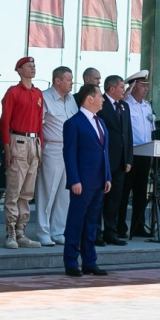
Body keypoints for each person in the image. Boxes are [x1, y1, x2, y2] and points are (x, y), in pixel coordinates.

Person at [63, 82, 112, 277]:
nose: (103, 99)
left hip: (99, 181)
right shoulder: (73, 123)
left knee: (92, 224)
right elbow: (69, 154)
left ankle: (90, 261)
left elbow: (104, 151)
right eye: (100, 95)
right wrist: (74, 180)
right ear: (89, 99)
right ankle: (71, 262)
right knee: (76, 222)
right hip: (82, 182)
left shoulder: (100, 122)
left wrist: (107, 175)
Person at [0, 57, 45, 249]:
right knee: (14, 189)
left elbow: (39, 122)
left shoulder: (37, 93)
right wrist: (7, 148)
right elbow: (5, 122)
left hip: (33, 141)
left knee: (27, 191)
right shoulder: (13, 92)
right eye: (28, 66)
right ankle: (10, 231)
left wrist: (40, 146)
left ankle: (21, 230)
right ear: (19, 70)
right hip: (17, 139)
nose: (33, 68)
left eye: (34, 66)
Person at [37, 66, 77, 246]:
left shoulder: (71, 100)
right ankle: (43, 231)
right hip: (52, 148)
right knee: (48, 191)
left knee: (65, 193)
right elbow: (39, 125)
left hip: (70, 149)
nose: (71, 83)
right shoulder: (44, 97)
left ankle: (58, 230)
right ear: (57, 81)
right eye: (68, 80)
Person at [97, 74, 134, 245]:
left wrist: (128, 159)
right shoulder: (100, 104)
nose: (124, 90)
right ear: (112, 89)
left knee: (115, 198)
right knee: (99, 198)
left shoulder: (124, 106)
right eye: (121, 87)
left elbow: (127, 134)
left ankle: (110, 232)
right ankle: (96, 232)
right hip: (104, 159)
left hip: (120, 161)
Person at [123, 72, 156, 237]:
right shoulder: (126, 105)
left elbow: (150, 132)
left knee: (141, 193)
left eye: (147, 85)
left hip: (145, 154)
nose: (146, 89)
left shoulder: (147, 106)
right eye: (143, 85)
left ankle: (138, 226)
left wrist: (150, 155)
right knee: (124, 192)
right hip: (131, 153)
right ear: (134, 86)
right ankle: (119, 227)